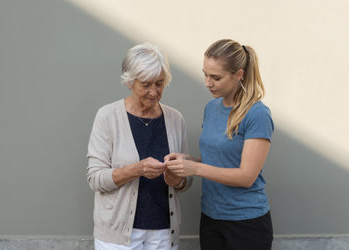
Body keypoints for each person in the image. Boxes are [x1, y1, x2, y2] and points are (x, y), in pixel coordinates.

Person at [165, 39, 274, 250]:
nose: (208, 82)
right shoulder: (212, 108)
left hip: (246, 224)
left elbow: (246, 176)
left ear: (239, 75)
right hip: (211, 218)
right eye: (205, 74)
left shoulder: (257, 114)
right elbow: (219, 160)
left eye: (216, 77)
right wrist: (186, 161)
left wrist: (195, 168)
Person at [86, 43, 192, 250]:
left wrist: (177, 180)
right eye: (145, 84)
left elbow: (186, 181)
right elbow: (95, 179)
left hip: (163, 233)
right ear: (129, 82)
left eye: (159, 84)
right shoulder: (107, 117)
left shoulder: (175, 119)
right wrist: (136, 169)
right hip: (117, 236)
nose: (154, 92)